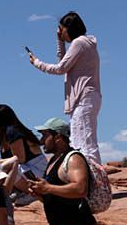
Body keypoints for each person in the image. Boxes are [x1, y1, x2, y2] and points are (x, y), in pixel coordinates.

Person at [27, 11, 103, 163]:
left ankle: (94, 181)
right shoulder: (84, 43)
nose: (60, 32)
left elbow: (60, 68)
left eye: (61, 29)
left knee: (85, 143)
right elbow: (64, 64)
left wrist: (37, 63)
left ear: (69, 28)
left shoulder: (80, 43)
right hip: (85, 98)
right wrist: (60, 41)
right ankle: (88, 180)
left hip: (83, 97)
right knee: (80, 140)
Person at [0, 104, 49, 192]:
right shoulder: (0, 135)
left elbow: (19, 159)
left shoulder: (13, 132)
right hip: (24, 171)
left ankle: (29, 192)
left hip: (37, 172)